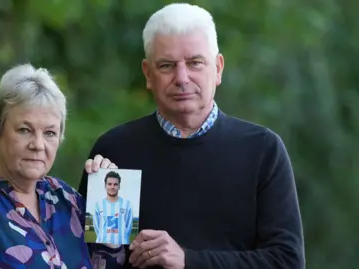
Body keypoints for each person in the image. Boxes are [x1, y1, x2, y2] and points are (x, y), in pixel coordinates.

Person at [80, 3, 305, 269]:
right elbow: (95, 263)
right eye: (166, 65)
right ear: (148, 74)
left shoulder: (262, 151)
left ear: (218, 68)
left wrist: (188, 260)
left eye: (195, 63)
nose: (182, 78)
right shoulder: (116, 152)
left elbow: (287, 262)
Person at [0, 63, 117, 269]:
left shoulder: (67, 200)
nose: (38, 145)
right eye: (25, 130)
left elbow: (111, 263)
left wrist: (110, 200)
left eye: (50, 133)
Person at [93, 171, 134, 245]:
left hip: (122, 247)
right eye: (109, 184)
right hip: (101, 247)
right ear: (105, 186)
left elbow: (129, 226)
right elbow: (96, 227)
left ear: (119, 186)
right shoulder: (98, 204)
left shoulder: (126, 204)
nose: (112, 187)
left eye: (115, 184)